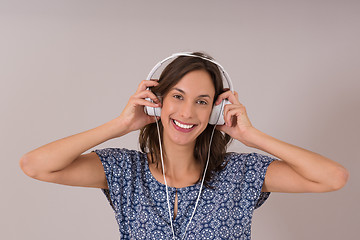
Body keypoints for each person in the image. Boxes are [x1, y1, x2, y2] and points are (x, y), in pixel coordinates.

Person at [20, 52, 349, 240]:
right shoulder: (124, 171)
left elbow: (333, 177)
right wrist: (120, 125)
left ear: (215, 111)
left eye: (202, 102)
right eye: (177, 97)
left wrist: (252, 136)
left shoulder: (241, 174)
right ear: (156, 103)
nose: (188, 112)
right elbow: (35, 165)